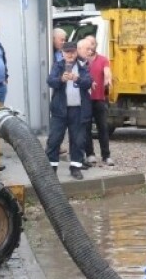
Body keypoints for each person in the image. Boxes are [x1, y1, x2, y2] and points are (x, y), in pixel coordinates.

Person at [44, 38, 90, 179]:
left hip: (78, 110)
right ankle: (51, 169)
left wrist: (78, 79)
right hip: (60, 110)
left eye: (72, 52)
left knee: (77, 140)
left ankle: (75, 168)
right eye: (67, 52)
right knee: (54, 140)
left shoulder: (82, 66)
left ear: (76, 53)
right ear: (62, 53)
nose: (70, 55)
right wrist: (61, 80)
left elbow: (88, 83)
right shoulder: (57, 66)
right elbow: (50, 81)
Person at [80, 35, 114, 167]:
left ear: (96, 45)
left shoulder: (103, 59)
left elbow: (107, 71)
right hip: (86, 100)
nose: (90, 47)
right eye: (88, 45)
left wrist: (108, 79)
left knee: (103, 128)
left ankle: (106, 155)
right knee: (87, 128)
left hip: (99, 99)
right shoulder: (82, 61)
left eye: (92, 44)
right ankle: (90, 154)